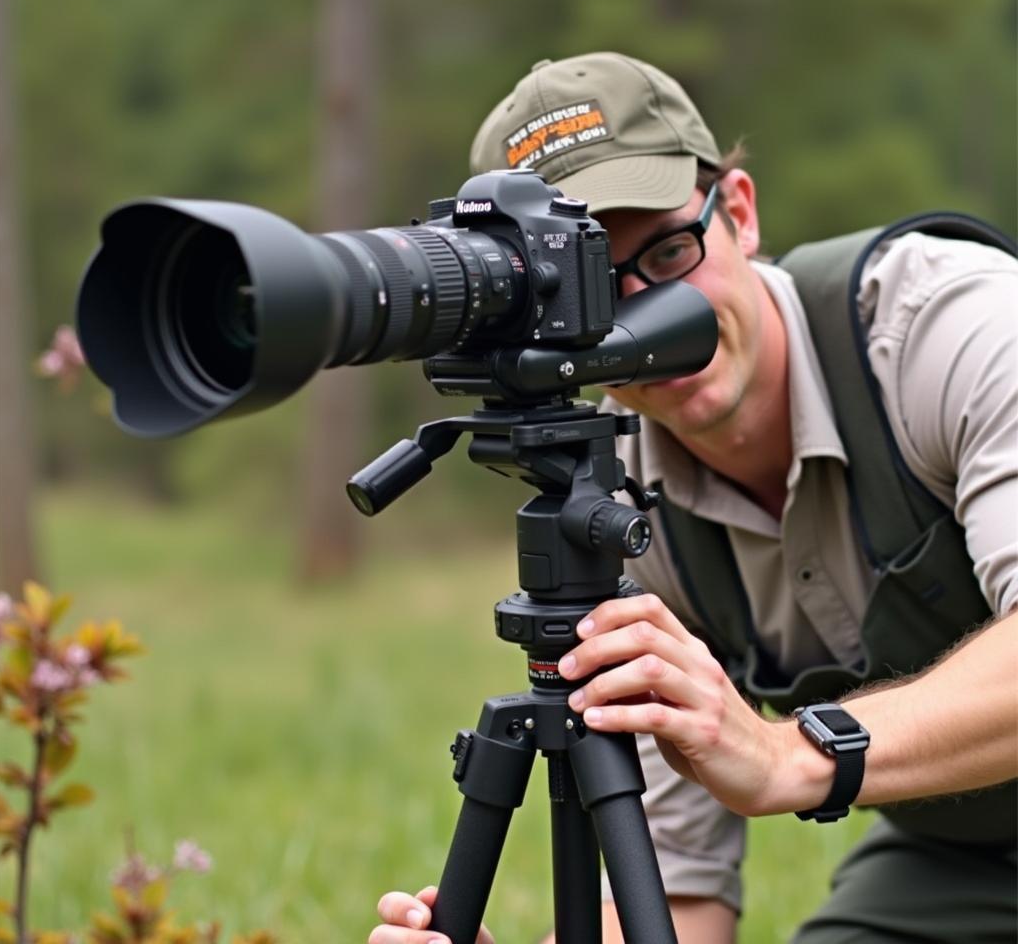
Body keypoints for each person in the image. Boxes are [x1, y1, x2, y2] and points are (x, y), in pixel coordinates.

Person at [370, 52, 1017, 944]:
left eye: (669, 252)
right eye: (591, 286)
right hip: (966, 858)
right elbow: (682, 898)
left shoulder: (947, 330)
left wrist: (791, 754)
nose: (643, 311)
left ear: (740, 215)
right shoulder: (615, 498)